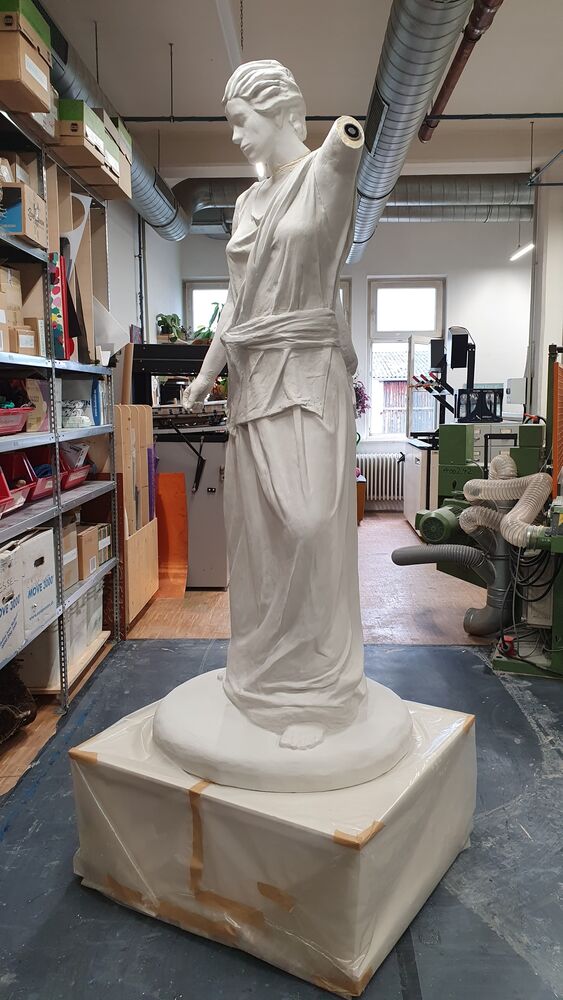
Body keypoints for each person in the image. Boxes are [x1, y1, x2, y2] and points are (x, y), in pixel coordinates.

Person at [183, 60, 366, 750]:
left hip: (308, 371)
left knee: (309, 523)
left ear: (282, 112)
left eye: (241, 121)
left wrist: (342, 140)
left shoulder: (325, 171)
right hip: (252, 378)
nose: (234, 137)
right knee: (259, 536)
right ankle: (264, 678)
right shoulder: (245, 204)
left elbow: (345, 149)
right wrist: (205, 376)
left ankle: (314, 686)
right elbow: (235, 307)